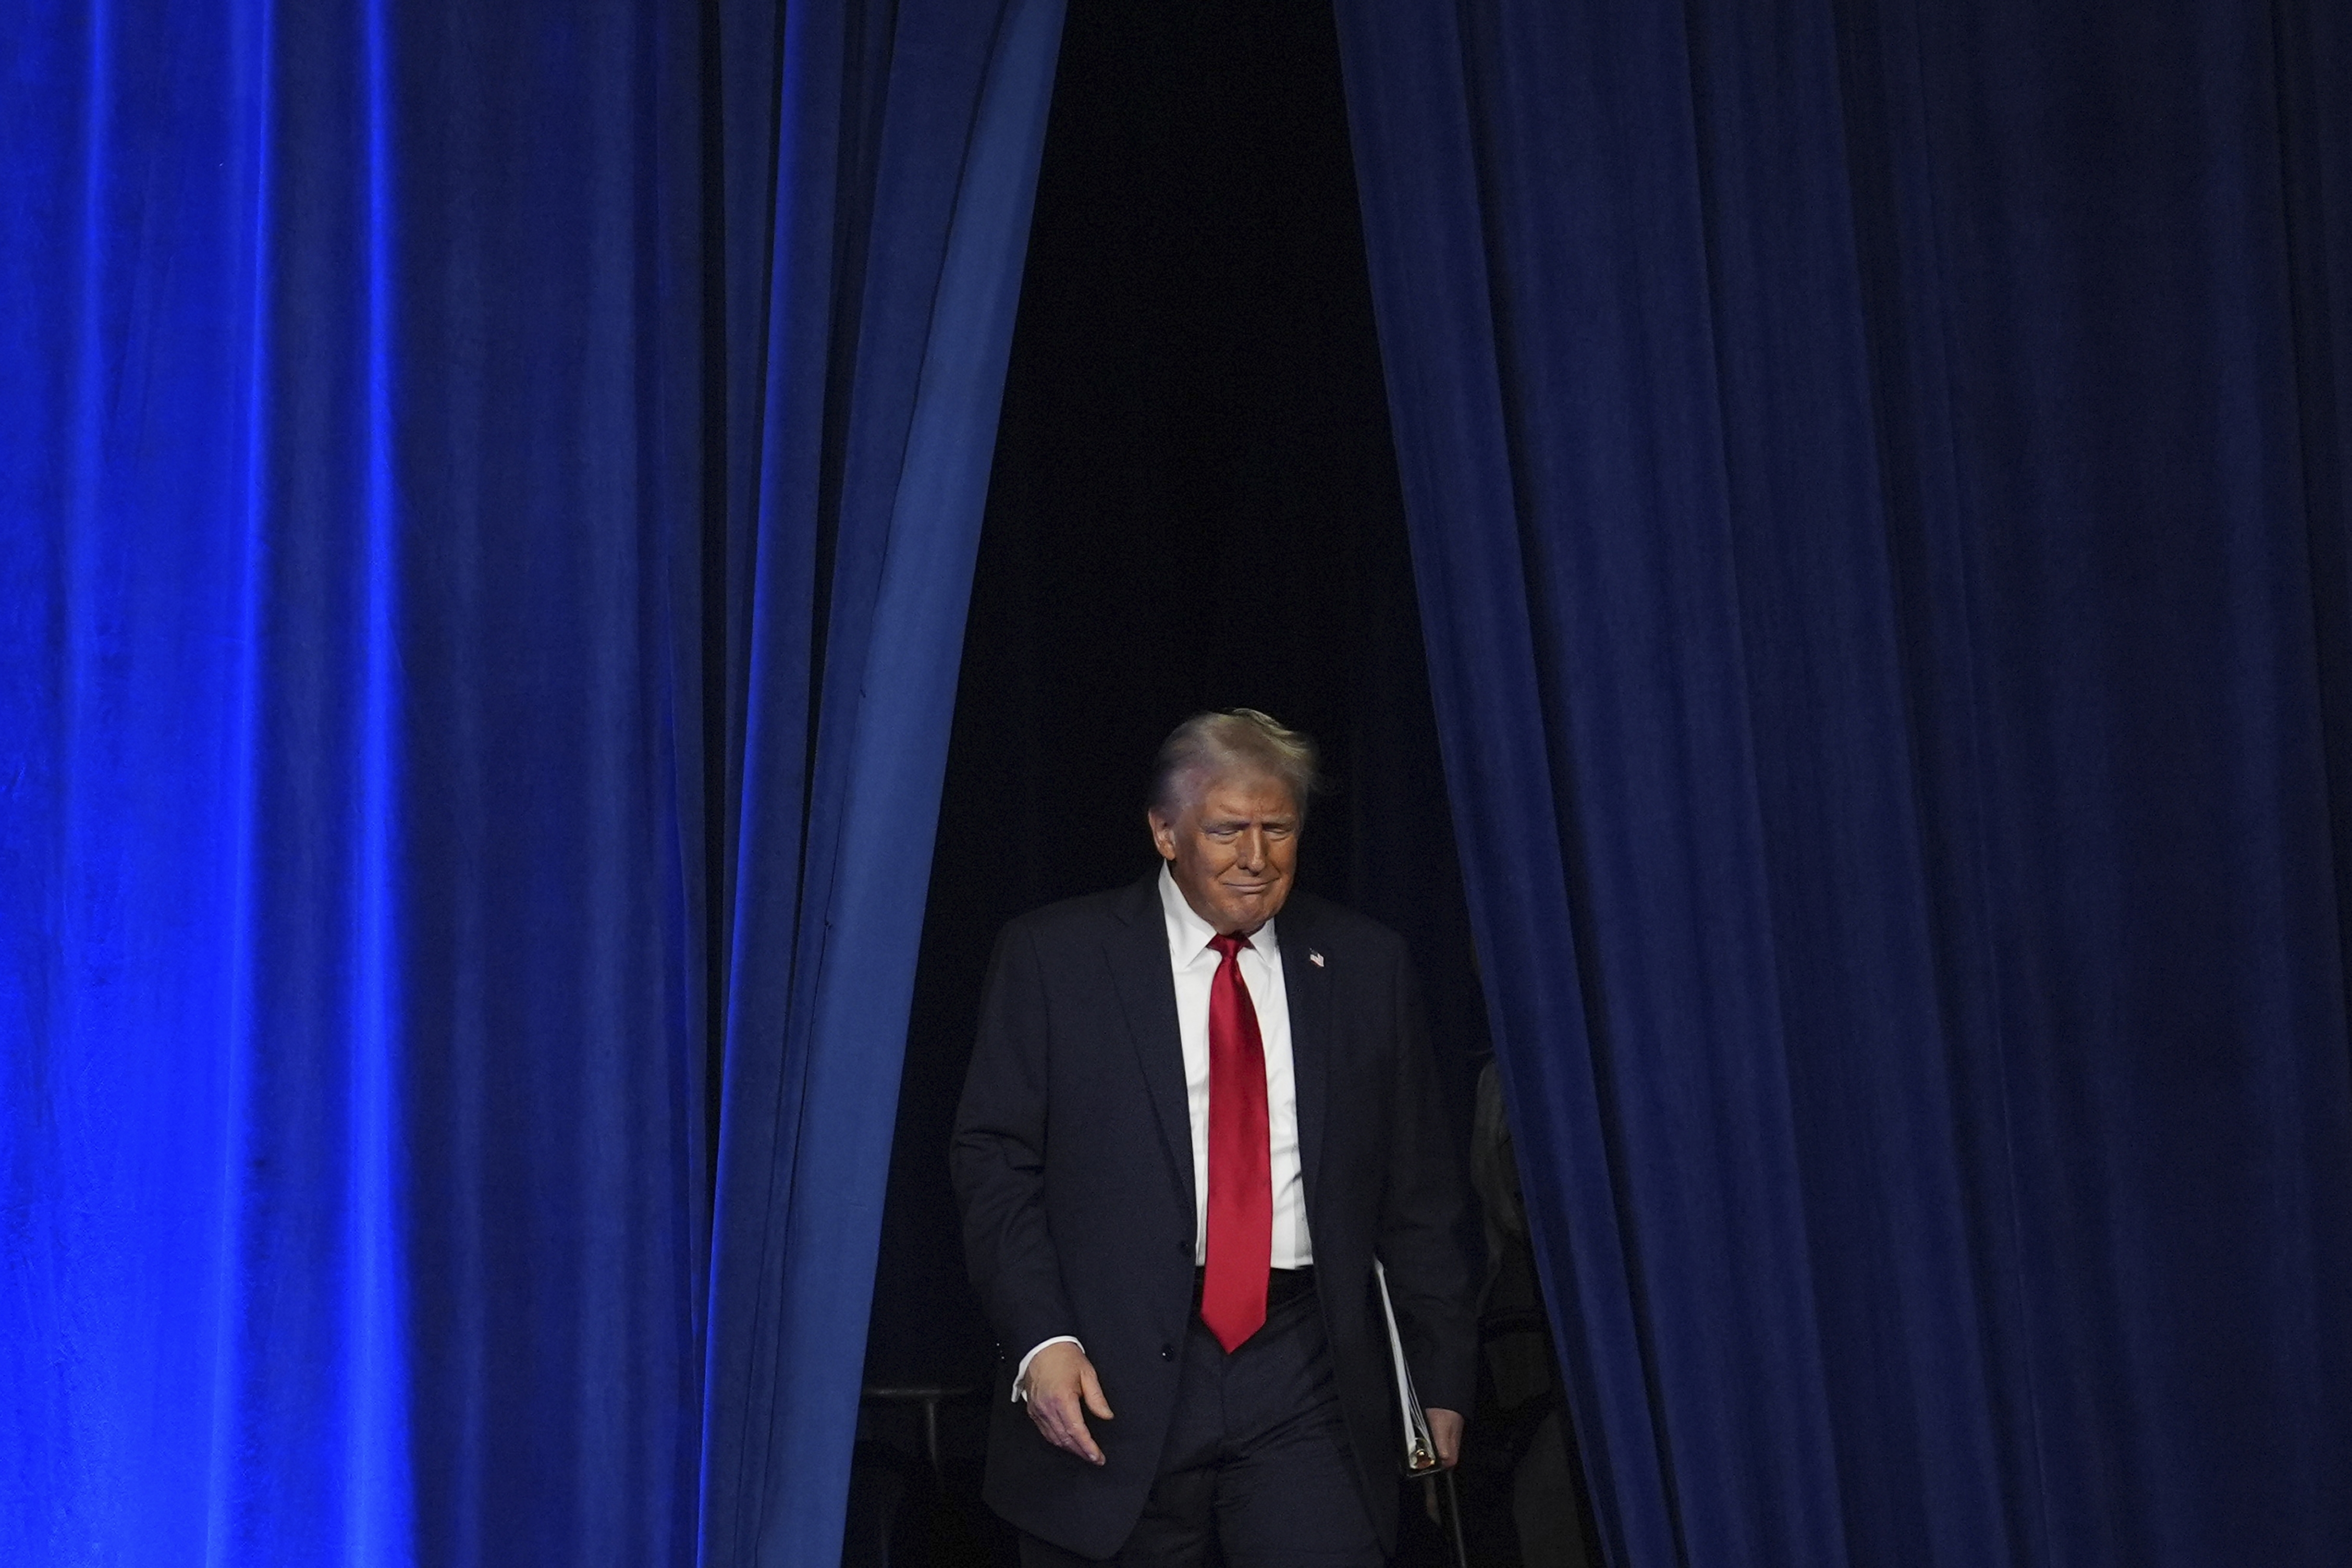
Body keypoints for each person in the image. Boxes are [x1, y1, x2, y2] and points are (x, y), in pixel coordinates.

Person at [951, 709, 1476, 1566]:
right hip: (1112, 1370)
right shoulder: (1056, 959)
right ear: (1165, 832)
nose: (1256, 856)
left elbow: (1417, 1187)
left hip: (1306, 1365)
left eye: (1279, 829)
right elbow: (995, 1164)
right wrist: (1041, 1339)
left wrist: (1440, 1373)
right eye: (1227, 829)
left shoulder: (1364, 965)